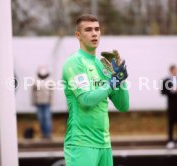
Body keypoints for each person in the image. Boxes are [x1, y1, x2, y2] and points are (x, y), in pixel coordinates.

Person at [62, 14, 129, 166]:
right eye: (88, 29)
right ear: (78, 35)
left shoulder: (103, 66)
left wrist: (120, 79)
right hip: (81, 143)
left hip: (104, 144)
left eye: (97, 29)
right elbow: (86, 100)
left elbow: (123, 106)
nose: (94, 33)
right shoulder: (74, 62)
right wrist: (112, 82)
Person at [161, 65, 177, 149]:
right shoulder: (166, 81)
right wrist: (172, 91)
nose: (176, 72)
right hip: (172, 105)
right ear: (171, 71)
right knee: (171, 123)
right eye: (174, 70)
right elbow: (162, 92)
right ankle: (170, 140)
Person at [31, 66, 54, 139]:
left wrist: (51, 101)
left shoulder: (50, 80)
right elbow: (33, 92)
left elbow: (52, 92)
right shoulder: (35, 80)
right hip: (39, 102)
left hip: (47, 102)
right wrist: (33, 101)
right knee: (40, 118)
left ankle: (48, 134)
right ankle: (43, 133)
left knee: (47, 118)